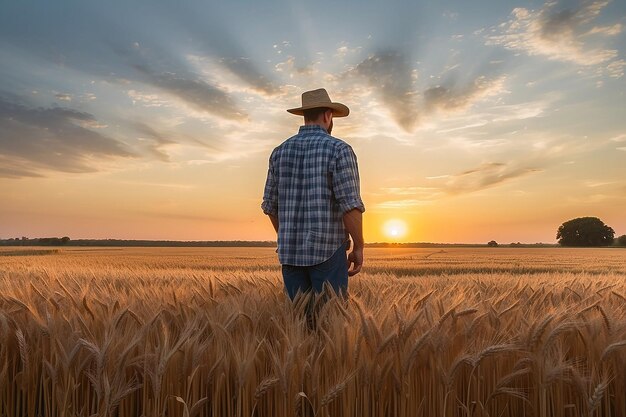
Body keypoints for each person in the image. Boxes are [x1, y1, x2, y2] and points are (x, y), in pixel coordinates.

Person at [261, 88, 365, 312]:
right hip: (327, 251)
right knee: (331, 324)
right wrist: (359, 246)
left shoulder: (279, 151)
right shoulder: (339, 149)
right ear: (328, 115)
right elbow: (350, 206)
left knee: (300, 324)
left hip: (289, 253)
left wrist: (287, 235)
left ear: (304, 116)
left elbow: (269, 205)